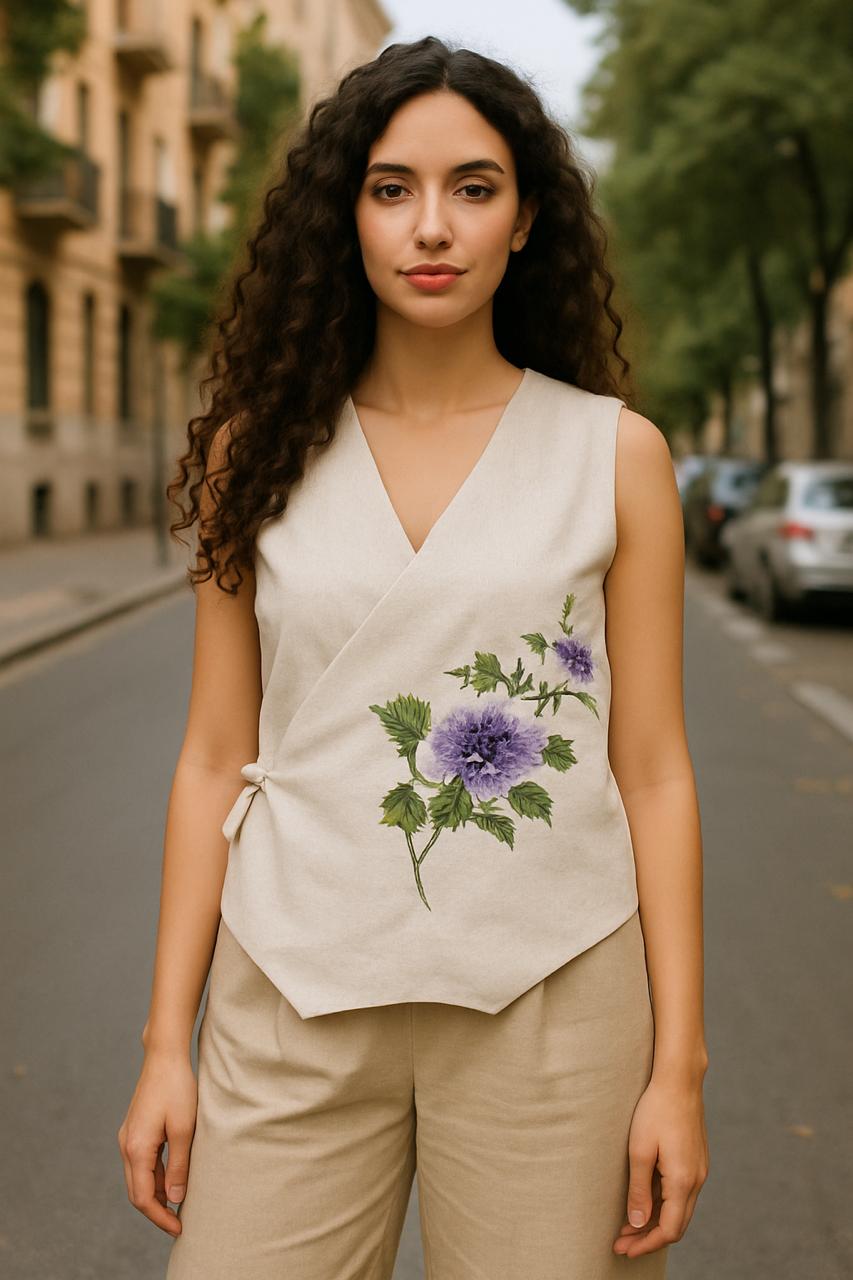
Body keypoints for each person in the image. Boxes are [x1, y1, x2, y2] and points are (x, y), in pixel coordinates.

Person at [117, 35, 710, 1279]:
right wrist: (166, 1042)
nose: (430, 226)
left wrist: (676, 1066)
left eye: (472, 187)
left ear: (527, 216)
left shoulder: (615, 455)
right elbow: (216, 756)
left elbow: (650, 768)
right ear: (347, 215)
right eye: (391, 188)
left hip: (554, 1002)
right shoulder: (251, 454)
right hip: (289, 992)